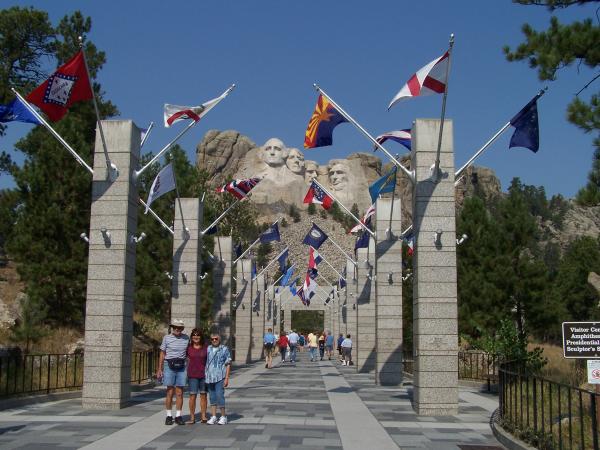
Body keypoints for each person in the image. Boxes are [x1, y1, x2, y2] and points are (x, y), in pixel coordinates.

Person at [157, 319, 190, 425]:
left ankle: (178, 416)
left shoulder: (186, 338)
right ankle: (168, 415)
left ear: (182, 329)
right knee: (170, 392)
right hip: (169, 365)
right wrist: (159, 369)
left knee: (180, 392)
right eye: (175, 327)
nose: (177, 329)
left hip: (181, 366)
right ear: (172, 328)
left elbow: (189, 353)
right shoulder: (166, 338)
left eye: (180, 327)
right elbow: (162, 353)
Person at [205, 331, 231, 425]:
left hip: (220, 376)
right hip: (209, 377)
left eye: (216, 338)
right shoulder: (208, 348)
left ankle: (223, 416)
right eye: (212, 339)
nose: (214, 340)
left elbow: (228, 363)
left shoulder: (224, 349)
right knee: (212, 397)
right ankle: (214, 416)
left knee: (220, 396)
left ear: (219, 339)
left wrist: (227, 378)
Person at [186, 328, 208, 424]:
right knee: (192, 396)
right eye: (194, 335)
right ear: (191, 337)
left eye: (198, 335)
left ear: (201, 337)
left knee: (203, 395)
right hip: (192, 375)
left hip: (204, 375)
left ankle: (203, 416)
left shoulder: (206, 347)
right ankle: (192, 417)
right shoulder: (188, 348)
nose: (196, 337)